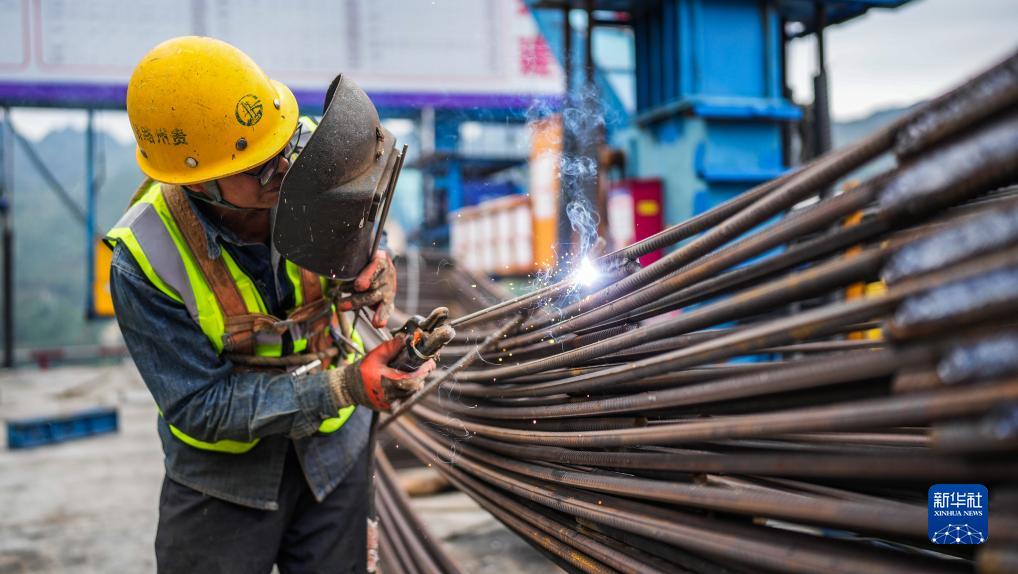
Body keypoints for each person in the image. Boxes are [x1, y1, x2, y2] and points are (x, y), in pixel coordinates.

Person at [106, 36, 433, 573]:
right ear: (199, 182)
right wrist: (345, 386)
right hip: (222, 484)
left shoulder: (305, 158)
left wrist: (375, 259)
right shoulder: (144, 258)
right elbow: (199, 405)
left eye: (283, 146)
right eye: (259, 168)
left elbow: (366, 217)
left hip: (334, 456)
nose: (283, 169)